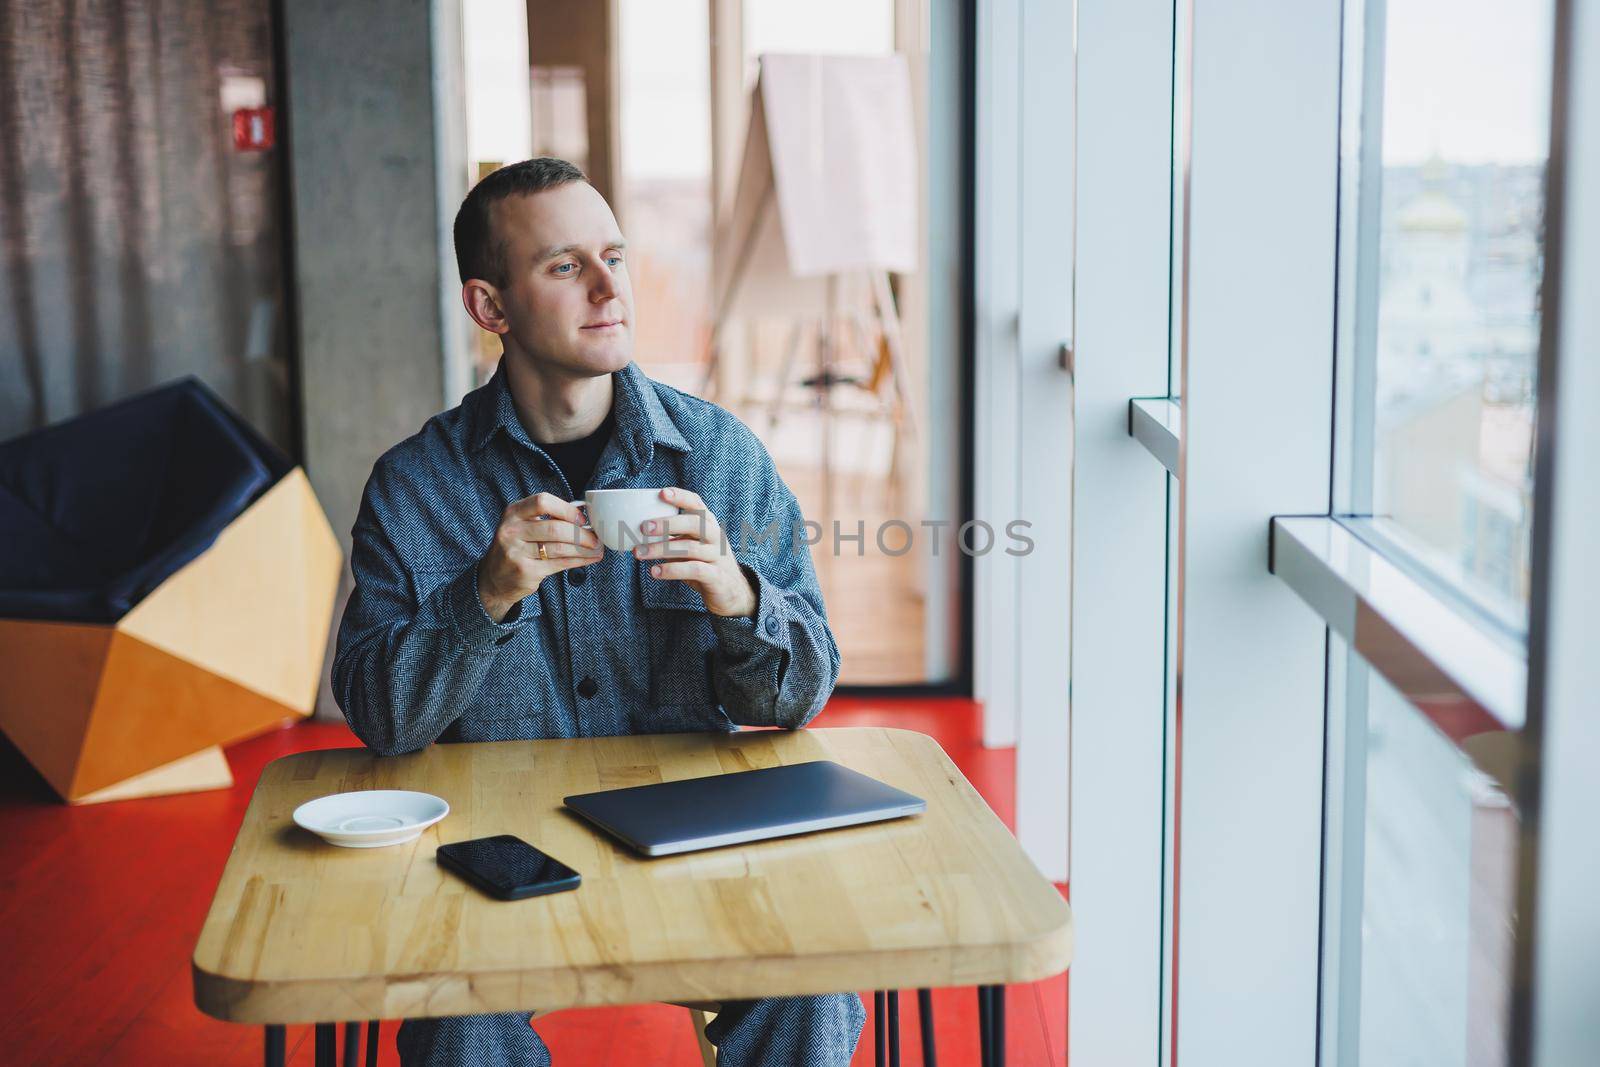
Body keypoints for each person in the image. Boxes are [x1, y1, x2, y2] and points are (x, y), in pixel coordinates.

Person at [332, 157, 864, 1066]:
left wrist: (738, 596)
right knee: (459, 1033)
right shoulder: (416, 486)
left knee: (811, 991)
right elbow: (383, 720)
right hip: (495, 860)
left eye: (614, 254)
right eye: (566, 265)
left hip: (696, 841)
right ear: (489, 307)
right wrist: (485, 593)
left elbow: (802, 693)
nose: (613, 287)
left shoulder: (718, 457)